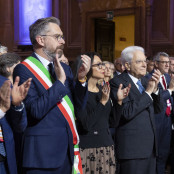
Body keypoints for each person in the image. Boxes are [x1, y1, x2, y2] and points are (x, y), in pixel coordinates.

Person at [13, 16, 91, 173]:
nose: (62, 41)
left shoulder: (65, 68)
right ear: (41, 40)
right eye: (58, 37)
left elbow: (77, 107)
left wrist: (82, 79)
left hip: (67, 151)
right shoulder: (24, 69)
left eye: (62, 37)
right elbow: (35, 110)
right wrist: (60, 82)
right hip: (42, 155)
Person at [74, 52, 130, 174]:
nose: (103, 68)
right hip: (88, 149)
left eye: (102, 64)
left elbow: (112, 122)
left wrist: (119, 102)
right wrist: (103, 102)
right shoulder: (80, 94)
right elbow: (86, 125)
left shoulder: (102, 91)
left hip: (106, 147)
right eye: (98, 65)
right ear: (86, 67)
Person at [109, 46, 162, 174]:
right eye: (139, 62)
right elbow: (126, 112)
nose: (144, 65)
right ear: (127, 65)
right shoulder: (117, 82)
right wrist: (148, 92)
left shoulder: (145, 81)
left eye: (145, 61)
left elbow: (158, 109)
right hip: (132, 149)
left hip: (150, 148)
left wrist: (155, 91)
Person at [146, 52, 174, 174]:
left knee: (164, 154)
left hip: (168, 119)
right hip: (156, 119)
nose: (167, 64)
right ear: (156, 63)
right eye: (164, 62)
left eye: (168, 62)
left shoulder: (169, 78)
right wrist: (170, 90)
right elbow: (157, 98)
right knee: (155, 154)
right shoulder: (150, 78)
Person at [0, 53, 32, 174]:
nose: (22, 70)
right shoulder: (4, 85)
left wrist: (17, 105)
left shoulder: (17, 89)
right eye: (19, 66)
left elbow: (19, 125)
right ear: (8, 68)